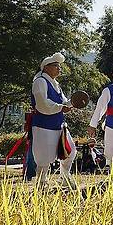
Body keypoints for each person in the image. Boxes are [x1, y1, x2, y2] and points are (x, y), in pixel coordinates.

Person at [30, 52, 77, 190]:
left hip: (59, 124)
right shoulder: (39, 81)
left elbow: (63, 102)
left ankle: (65, 176)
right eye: (56, 66)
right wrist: (61, 107)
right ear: (46, 67)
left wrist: (73, 102)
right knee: (44, 156)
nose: (59, 68)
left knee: (71, 150)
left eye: (59, 66)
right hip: (43, 124)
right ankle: (41, 183)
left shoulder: (56, 84)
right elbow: (42, 103)